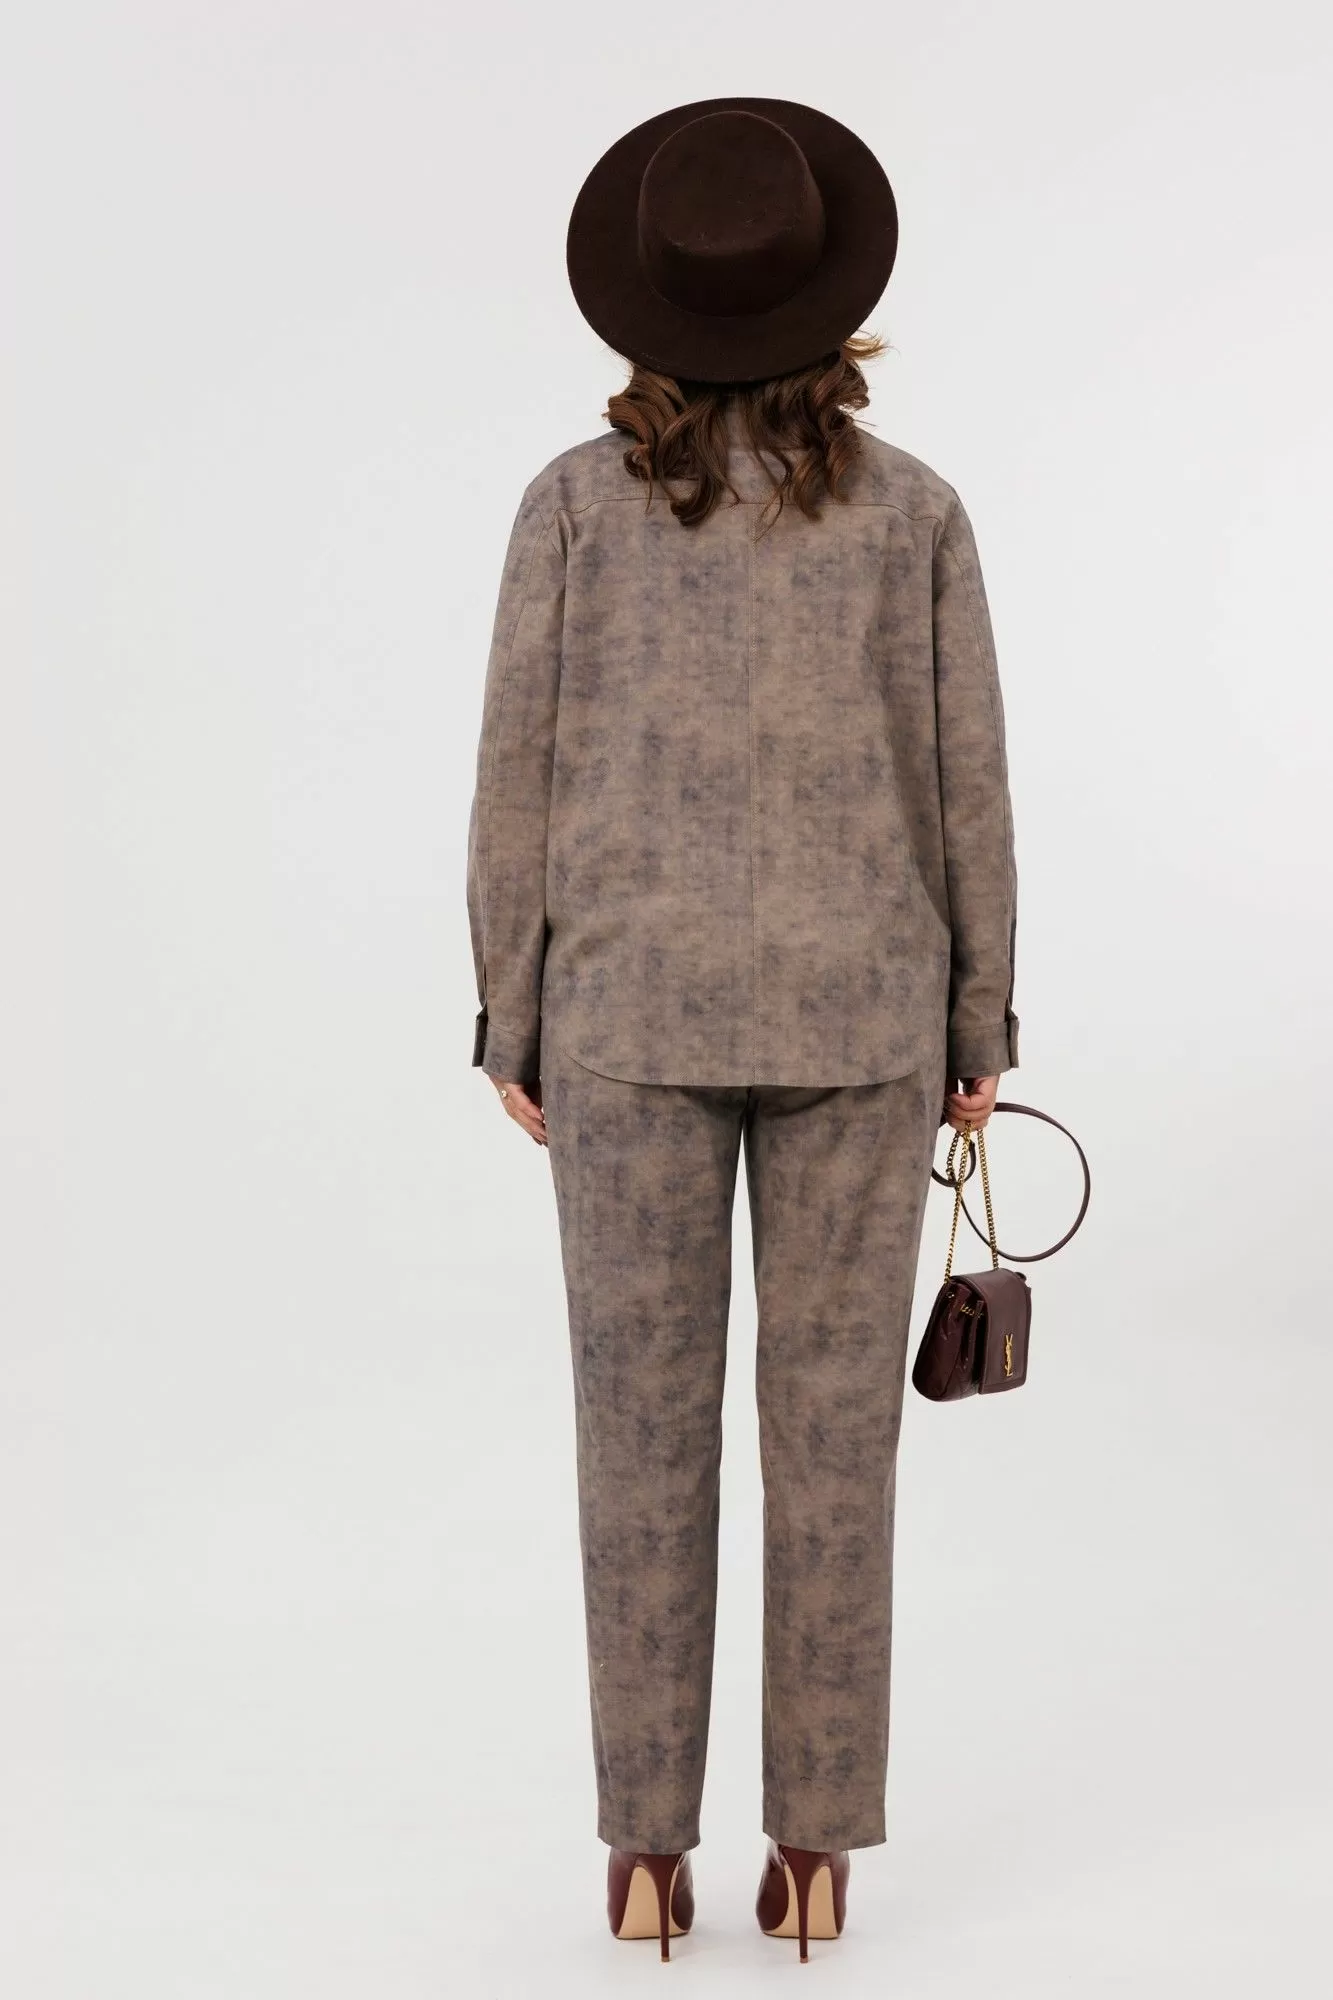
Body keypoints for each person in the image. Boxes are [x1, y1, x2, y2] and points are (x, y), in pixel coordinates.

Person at [465, 95, 1020, 1963]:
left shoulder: (572, 506)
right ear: (828, 296)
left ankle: (643, 1856)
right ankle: (814, 1859)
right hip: (866, 1016)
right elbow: (968, 785)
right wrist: (981, 1010)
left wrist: (513, 1007)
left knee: (636, 1437)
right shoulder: (914, 513)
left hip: (626, 1016)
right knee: (836, 1445)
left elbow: (515, 778)